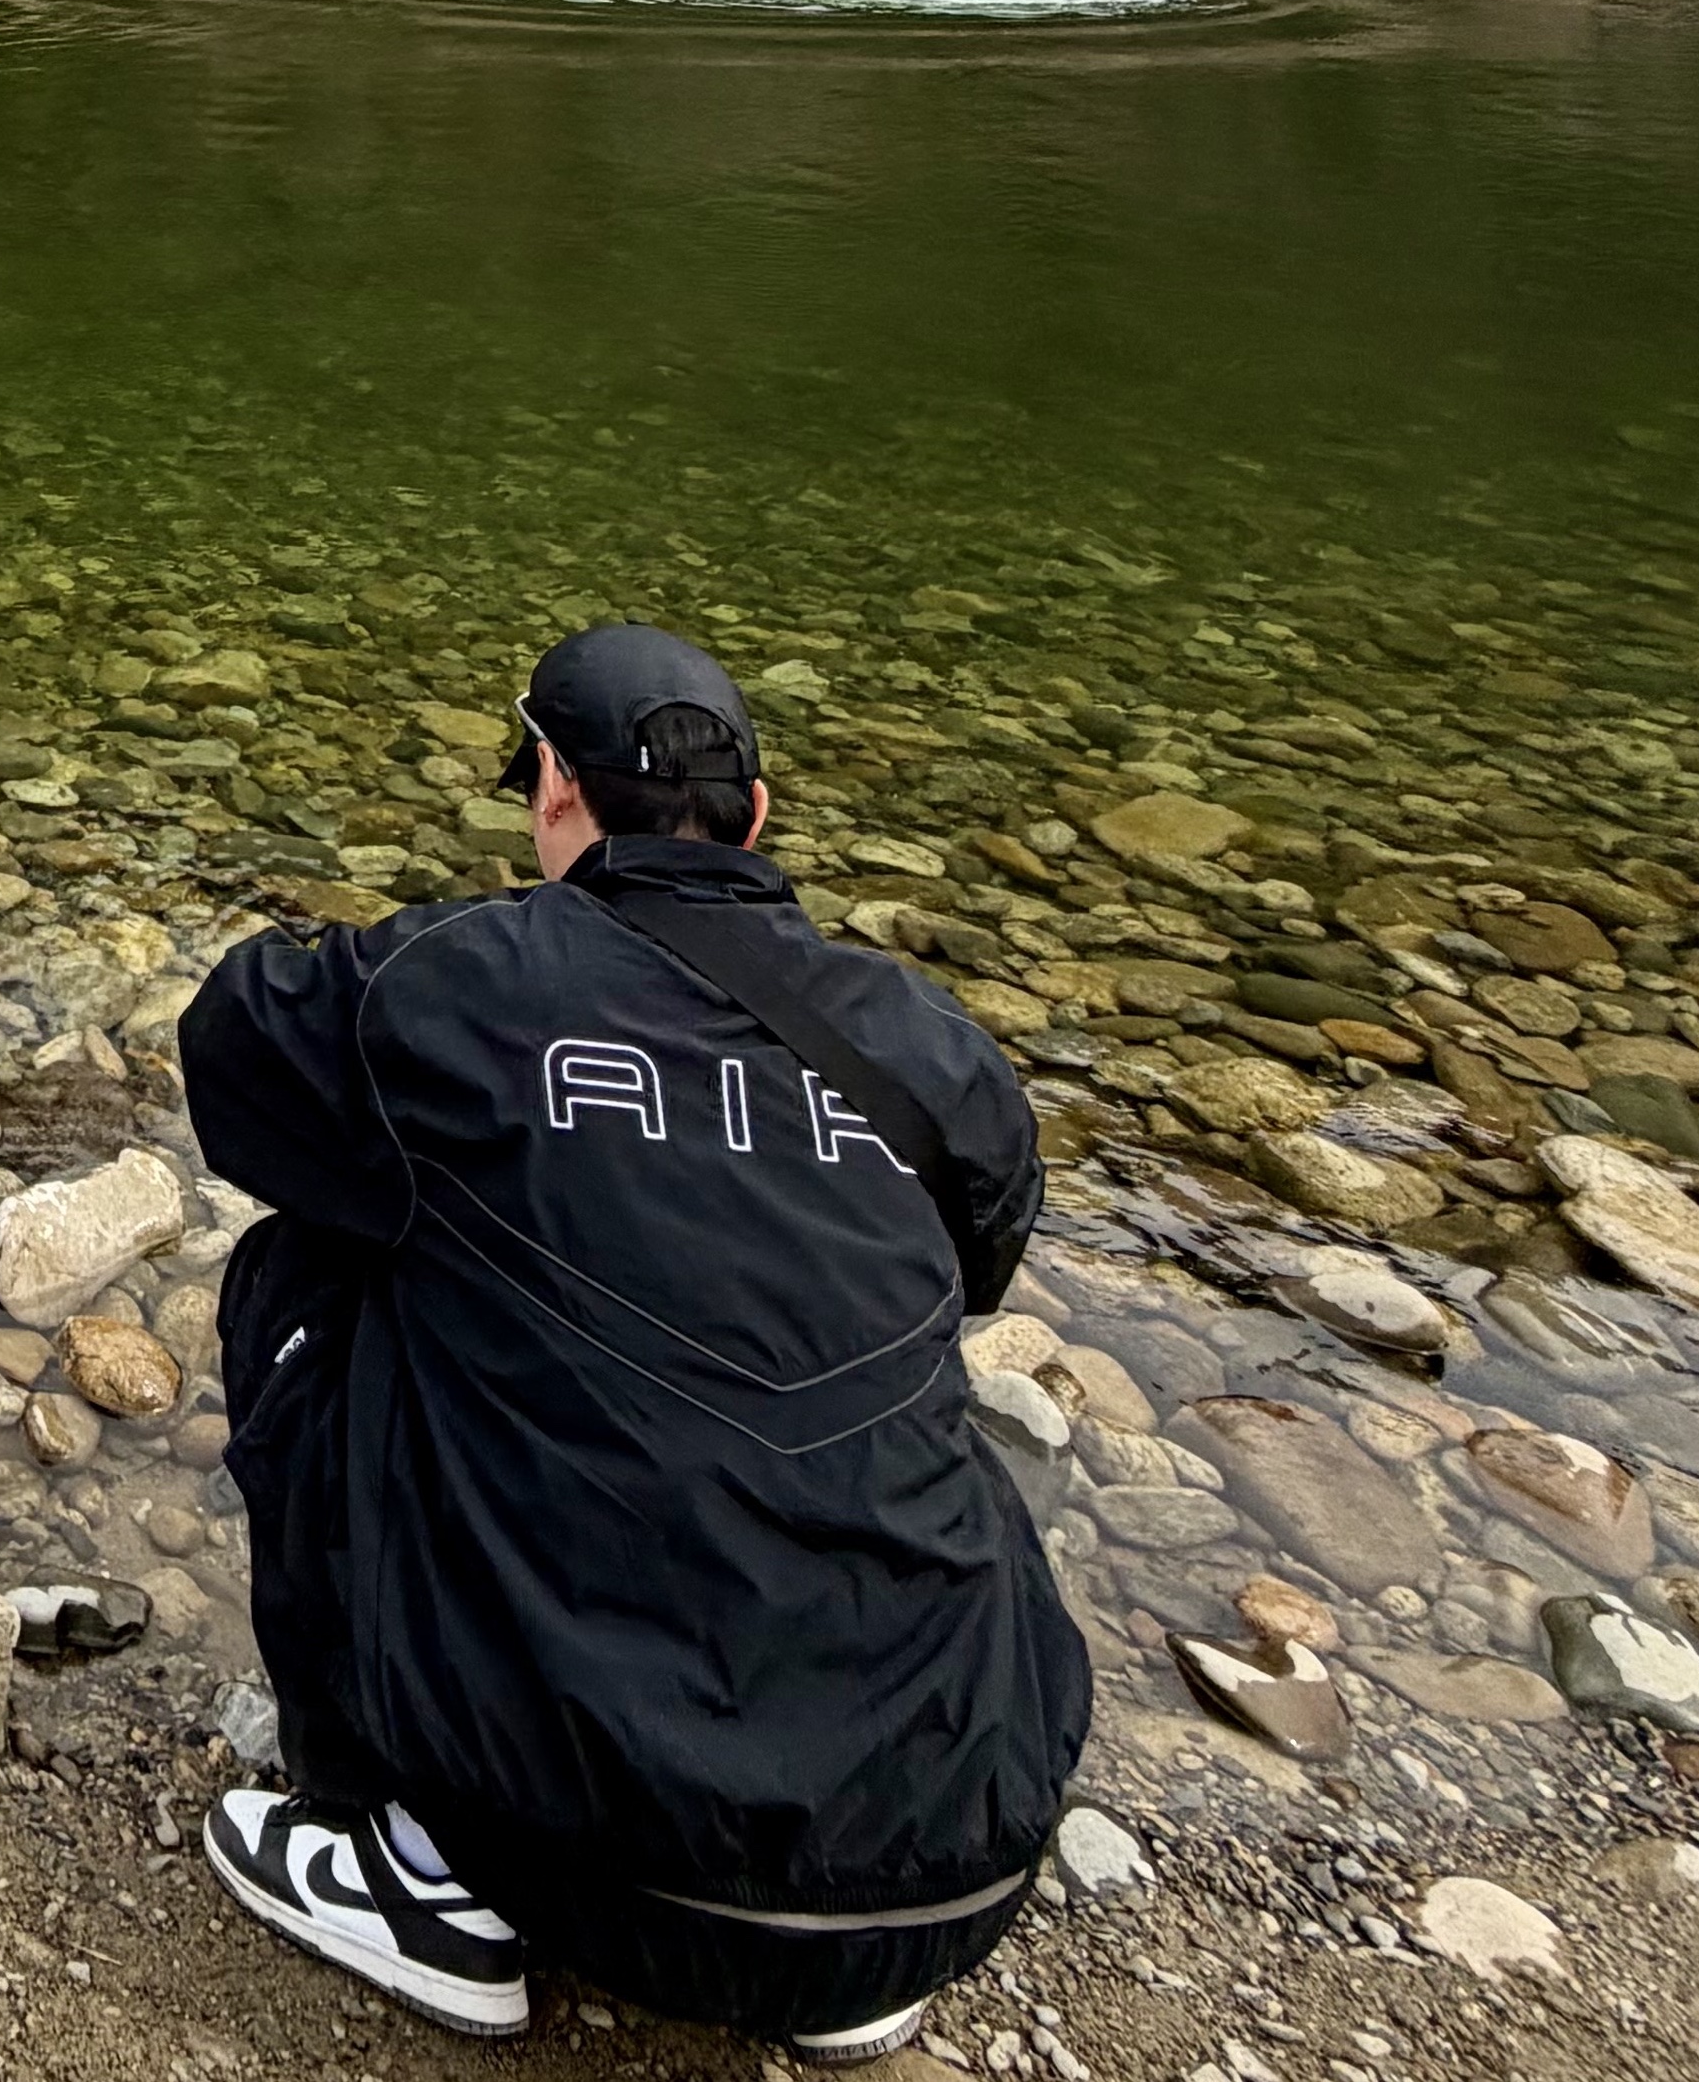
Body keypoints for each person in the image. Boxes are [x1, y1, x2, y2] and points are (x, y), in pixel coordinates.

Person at [177, 621, 1087, 2055]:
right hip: (941, 1876)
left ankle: (409, 1860)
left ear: (553, 785)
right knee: (892, 1372)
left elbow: (233, 1039)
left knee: (308, 1266)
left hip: (588, 1862)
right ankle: (833, 1895)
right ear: (756, 815)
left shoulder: (464, 981)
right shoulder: (929, 1046)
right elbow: (981, 1264)